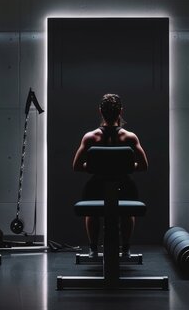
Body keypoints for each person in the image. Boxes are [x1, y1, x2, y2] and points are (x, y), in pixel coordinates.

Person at [73, 93, 149, 258]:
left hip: (97, 186)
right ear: (120, 111)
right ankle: (125, 249)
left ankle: (93, 249)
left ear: (100, 111)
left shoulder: (90, 137)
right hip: (124, 185)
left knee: (92, 212)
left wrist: (96, 167)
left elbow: (77, 166)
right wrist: (125, 167)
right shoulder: (129, 137)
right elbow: (143, 165)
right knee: (126, 213)